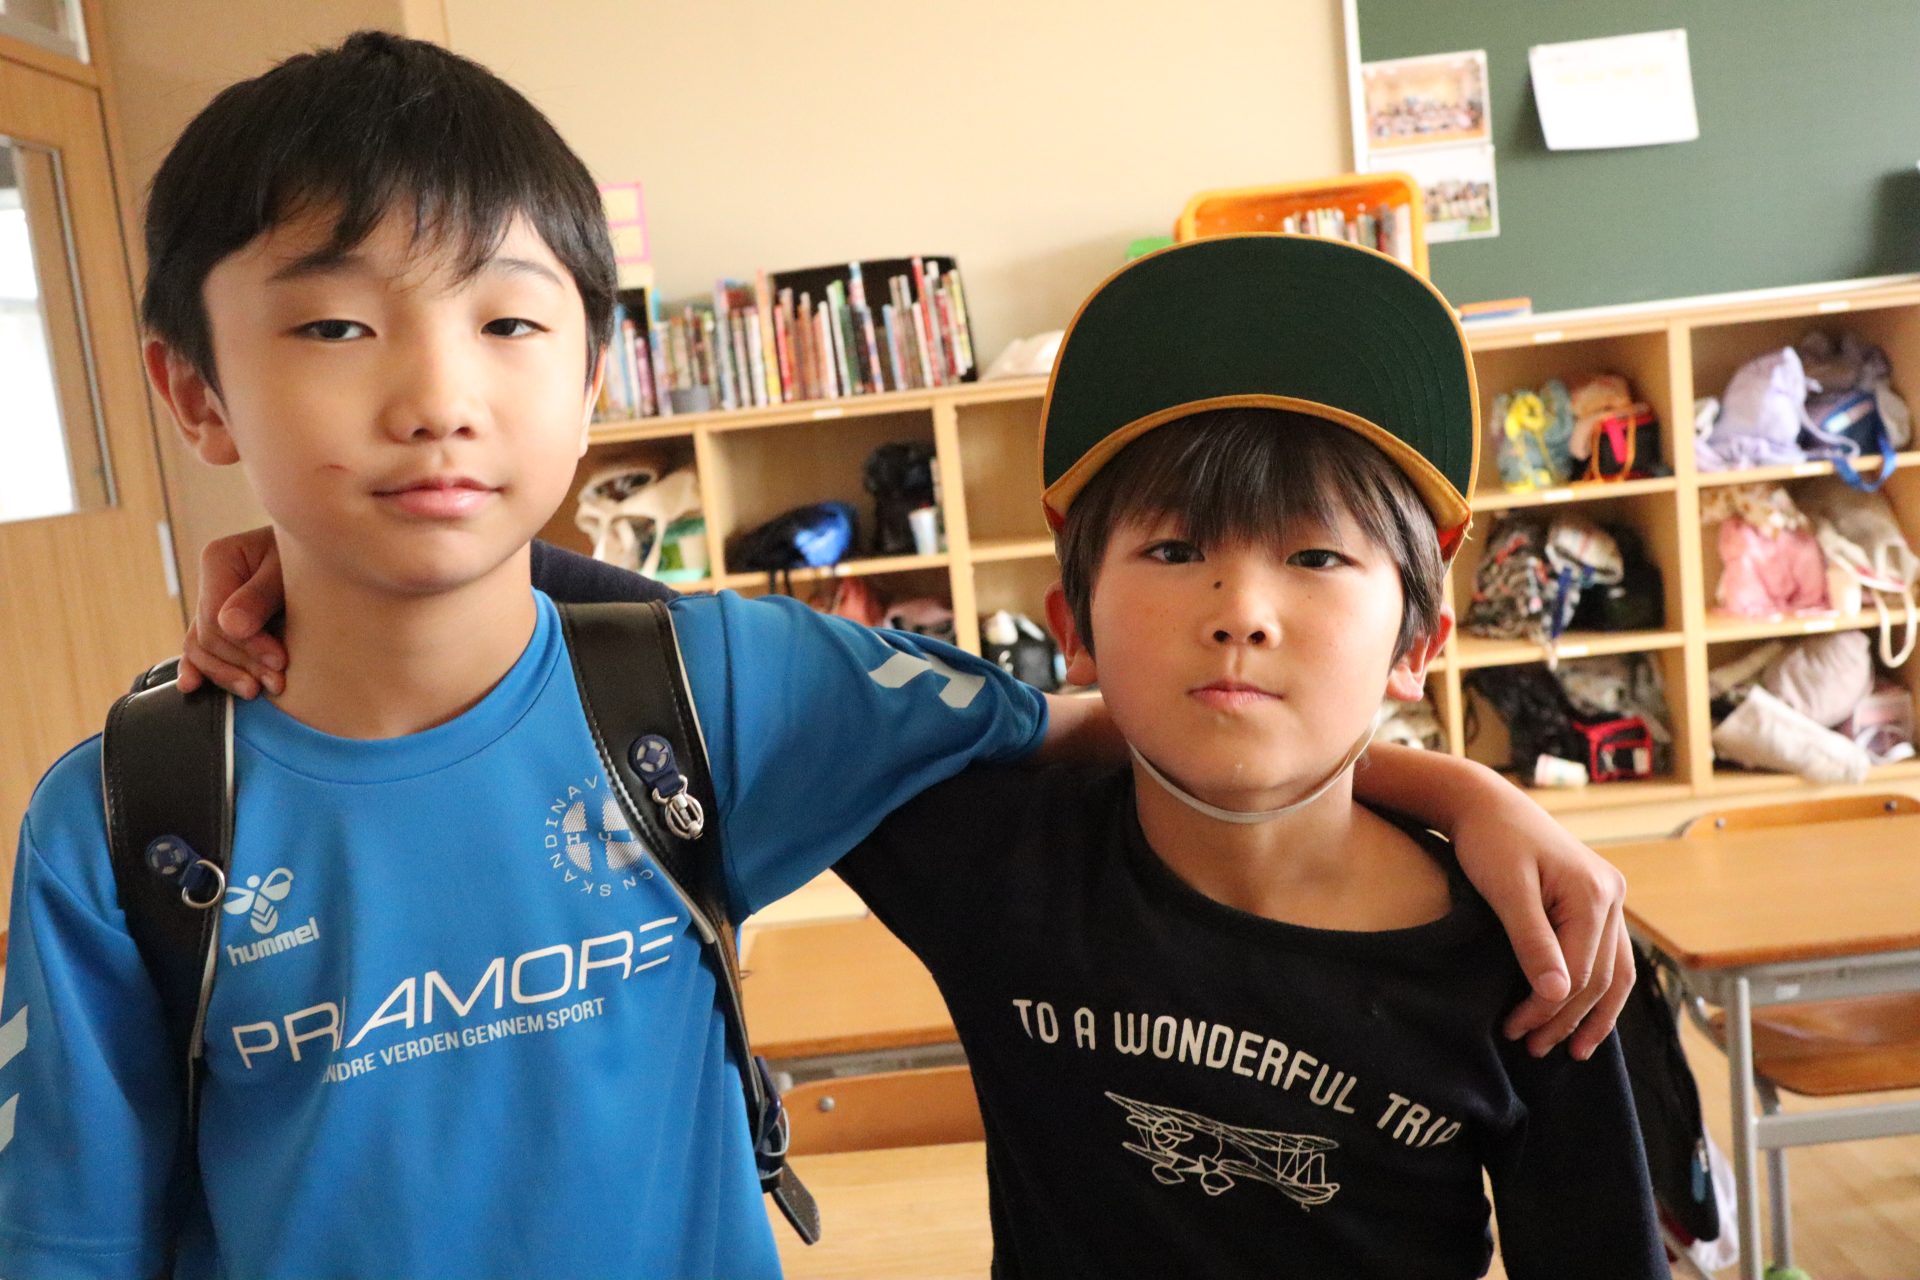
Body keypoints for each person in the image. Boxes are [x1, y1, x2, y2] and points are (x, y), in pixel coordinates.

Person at [0, 32, 1629, 1280]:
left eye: (505, 322)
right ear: (194, 389)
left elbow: (1150, 720)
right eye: (336, 325)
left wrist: (1465, 795)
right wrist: (303, 563)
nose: (436, 398)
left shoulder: (725, 693)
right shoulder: (132, 823)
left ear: (591, 381)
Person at [827, 236, 1666, 1276]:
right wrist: (1457, 785)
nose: (1243, 614)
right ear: (1073, 627)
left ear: (1417, 646)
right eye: (1175, 550)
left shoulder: (1530, 954)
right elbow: (689, 657)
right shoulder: (1001, 865)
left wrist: (1465, 795)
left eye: (1316, 554)